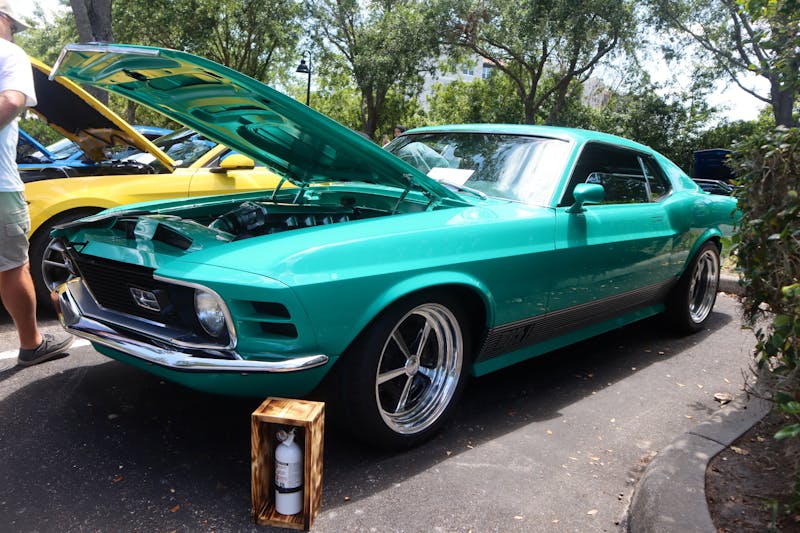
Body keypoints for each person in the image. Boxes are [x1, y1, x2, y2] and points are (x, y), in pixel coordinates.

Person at [0, 0, 74, 366]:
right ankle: (32, 344)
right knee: (12, 267)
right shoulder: (8, 53)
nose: (13, 34)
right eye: (12, 26)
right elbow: (12, 101)